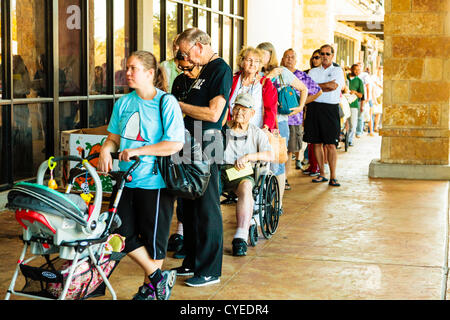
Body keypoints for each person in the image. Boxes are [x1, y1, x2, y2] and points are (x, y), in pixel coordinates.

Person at [97, 50, 185, 300]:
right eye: (127, 68)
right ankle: (159, 279)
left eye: (133, 68)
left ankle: (149, 289)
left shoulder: (165, 102)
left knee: (153, 240)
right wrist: (106, 149)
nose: (127, 73)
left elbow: (175, 144)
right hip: (125, 181)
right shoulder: (123, 103)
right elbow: (113, 138)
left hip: (154, 182)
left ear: (149, 73)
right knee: (117, 232)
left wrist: (138, 151)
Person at [172, 28, 232, 287]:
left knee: (207, 208)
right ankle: (193, 261)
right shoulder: (201, 71)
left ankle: (210, 270)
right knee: (188, 207)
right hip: (187, 140)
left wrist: (178, 105)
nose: (186, 58)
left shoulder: (219, 69)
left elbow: (213, 114)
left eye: (185, 52)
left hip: (207, 141)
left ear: (199, 46)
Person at [222, 93, 274, 256]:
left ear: (252, 114)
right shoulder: (222, 128)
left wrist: (248, 157)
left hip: (241, 173)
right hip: (219, 170)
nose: (239, 113)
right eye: (237, 108)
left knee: (246, 187)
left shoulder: (256, 132)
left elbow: (269, 155)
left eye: (244, 110)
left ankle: (240, 236)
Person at [256, 42, 307, 197]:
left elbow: (303, 88)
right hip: (258, 122)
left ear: (271, 55)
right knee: (259, 163)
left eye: (265, 54)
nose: (261, 57)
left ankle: (278, 202)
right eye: (259, 53)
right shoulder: (253, 71)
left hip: (279, 123)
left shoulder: (280, 72)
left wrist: (299, 107)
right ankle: (261, 200)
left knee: (277, 163)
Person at [167, 51, 203, 260]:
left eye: (188, 67)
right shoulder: (180, 81)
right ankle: (183, 237)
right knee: (182, 188)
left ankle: (198, 243)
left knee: (200, 191)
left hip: (204, 137)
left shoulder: (207, 78)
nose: (185, 72)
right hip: (182, 136)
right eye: (181, 68)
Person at [305, 44, 345, 187]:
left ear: (332, 55)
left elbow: (333, 86)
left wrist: (318, 86)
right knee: (316, 142)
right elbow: (309, 88)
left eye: (328, 54)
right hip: (314, 108)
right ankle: (322, 173)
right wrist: (324, 85)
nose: (324, 56)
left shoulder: (338, 70)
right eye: (322, 54)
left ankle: (333, 176)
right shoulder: (312, 71)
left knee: (330, 144)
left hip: (330, 109)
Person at [280, 49, 322, 177]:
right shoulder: (278, 73)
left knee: (289, 151)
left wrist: (301, 104)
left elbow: (317, 91)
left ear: (296, 60)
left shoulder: (302, 76)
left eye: (292, 57)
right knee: (278, 151)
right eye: (287, 56)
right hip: (277, 119)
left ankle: (285, 178)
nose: (289, 59)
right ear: (282, 58)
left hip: (294, 119)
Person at [228, 46, 277, 132]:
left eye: (256, 61)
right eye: (249, 60)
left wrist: (265, 129)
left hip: (256, 132)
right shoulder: (232, 80)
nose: (252, 64)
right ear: (242, 62)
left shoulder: (265, 84)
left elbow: (271, 110)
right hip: (232, 130)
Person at [346, 64, 365, 146]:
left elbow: (361, 95)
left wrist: (355, 92)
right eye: (355, 70)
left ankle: (349, 140)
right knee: (342, 124)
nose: (357, 71)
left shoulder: (359, 81)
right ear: (351, 69)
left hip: (354, 105)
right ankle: (340, 138)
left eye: (359, 70)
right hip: (343, 103)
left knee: (353, 124)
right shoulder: (344, 77)